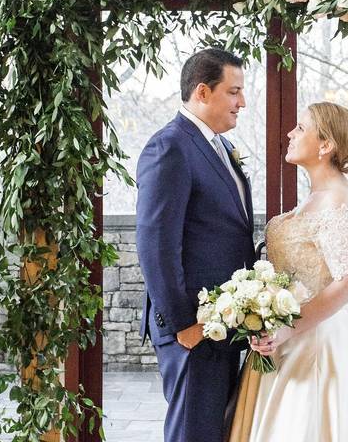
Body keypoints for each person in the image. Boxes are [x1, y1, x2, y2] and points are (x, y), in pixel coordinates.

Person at [228, 102, 348, 442]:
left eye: (301, 128)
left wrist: (288, 329)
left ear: (326, 145)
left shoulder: (339, 201)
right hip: (283, 344)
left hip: (321, 347)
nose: (290, 133)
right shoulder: (316, 197)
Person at [135, 48, 256, 442]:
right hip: (194, 325)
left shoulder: (218, 146)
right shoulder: (170, 146)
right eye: (234, 91)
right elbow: (156, 245)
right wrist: (184, 324)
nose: (242, 102)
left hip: (222, 324)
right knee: (192, 433)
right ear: (202, 92)